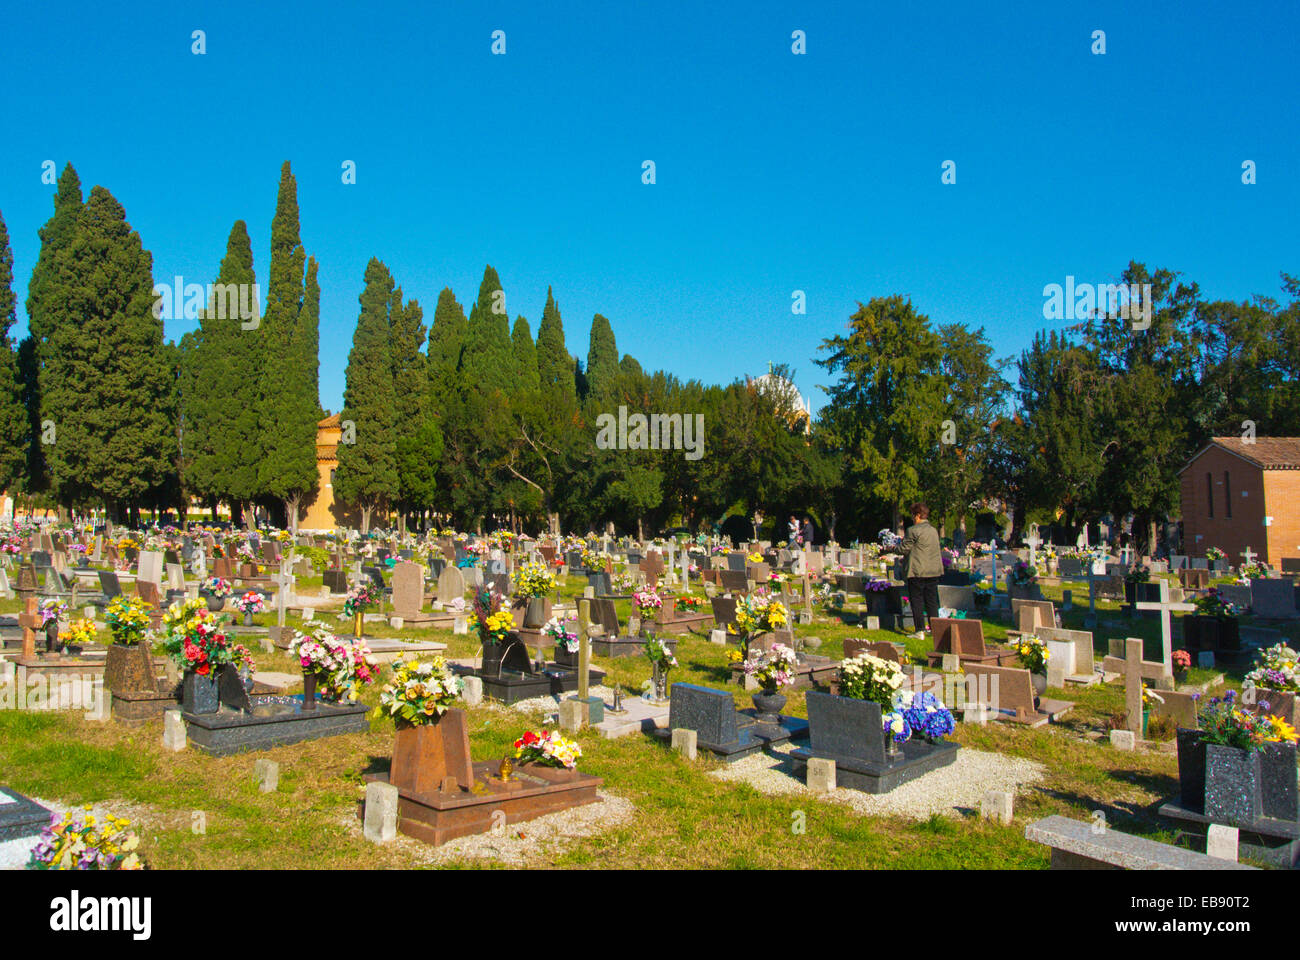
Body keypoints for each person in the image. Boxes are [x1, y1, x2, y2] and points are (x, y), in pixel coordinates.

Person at [900, 502, 942, 639]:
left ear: (918, 515)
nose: (912, 518)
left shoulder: (913, 530)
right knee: (931, 601)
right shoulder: (933, 530)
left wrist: (891, 548)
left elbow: (904, 549)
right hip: (933, 571)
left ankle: (919, 630)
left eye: (913, 515)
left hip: (918, 571)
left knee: (917, 600)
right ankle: (935, 629)